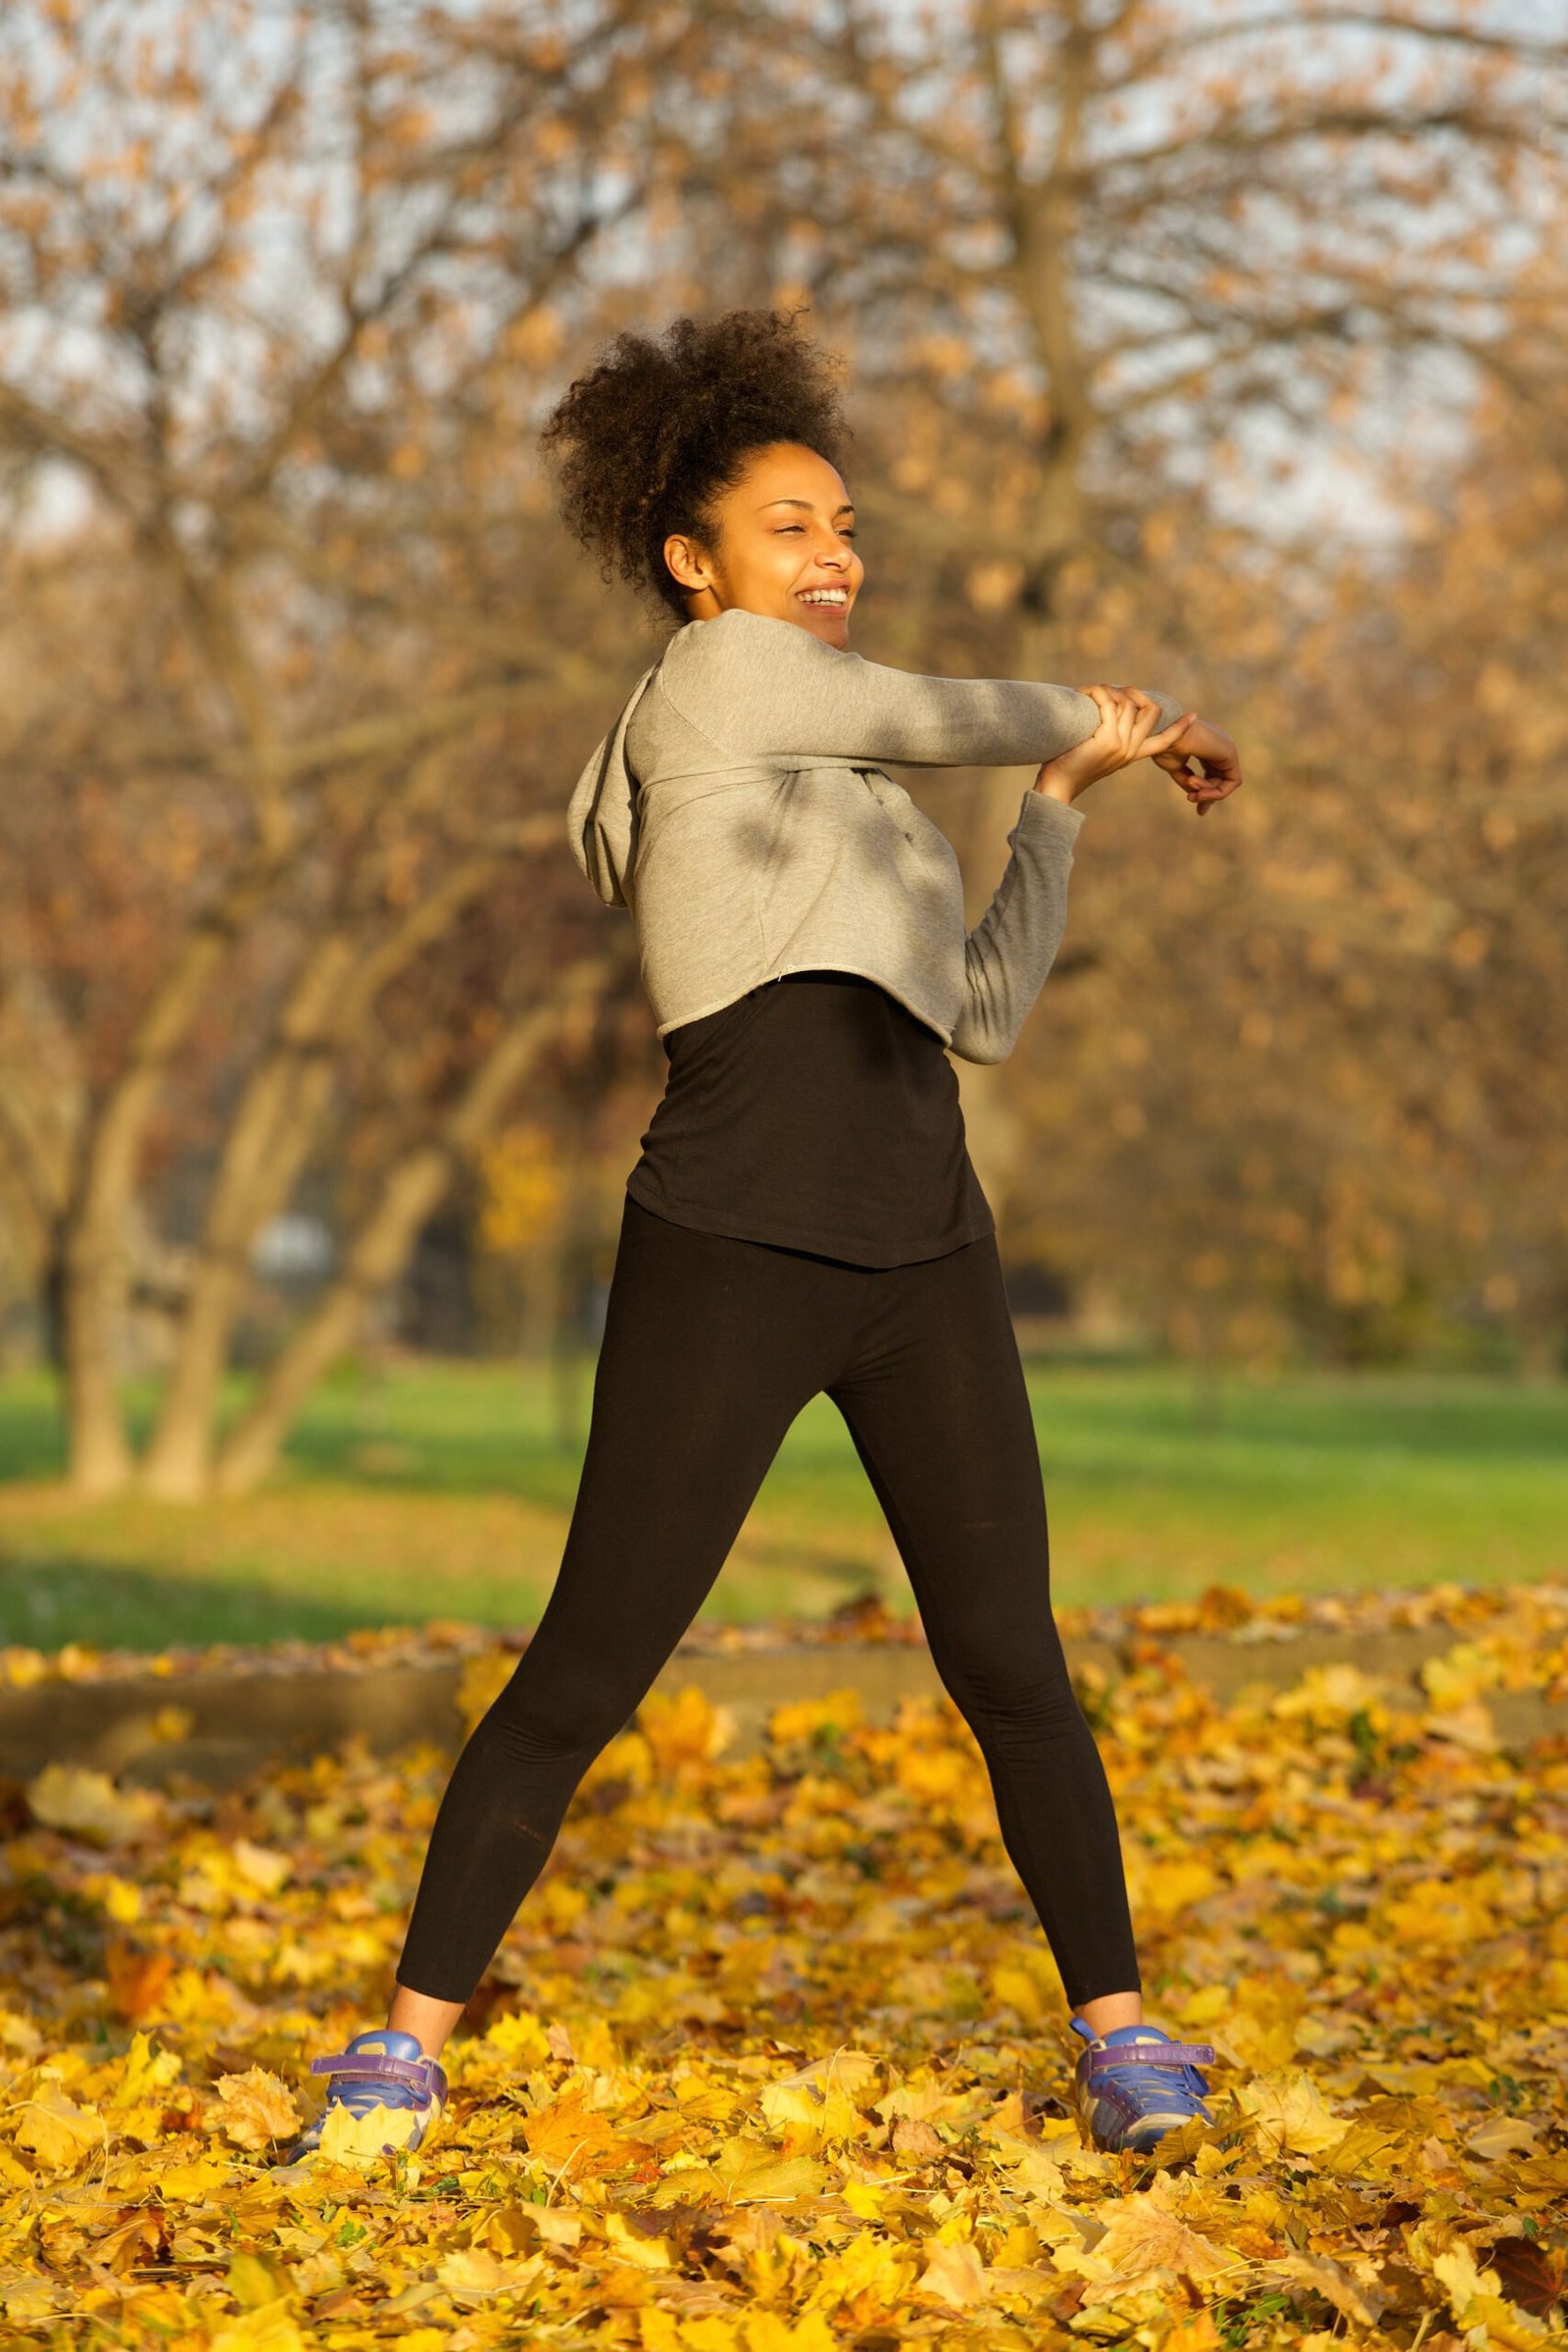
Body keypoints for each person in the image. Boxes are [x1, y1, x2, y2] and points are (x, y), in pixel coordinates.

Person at [290, 310, 1241, 2165]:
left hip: (922, 1245)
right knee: (588, 1665)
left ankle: (1123, 2040)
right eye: (795, 523)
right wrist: (1133, 713)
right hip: (732, 1243)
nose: (839, 555)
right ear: (692, 557)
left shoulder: (859, 810)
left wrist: (1057, 811)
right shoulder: (713, 692)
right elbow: (927, 703)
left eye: (849, 525)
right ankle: (401, 2047)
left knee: (1013, 1666)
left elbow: (976, 1011)